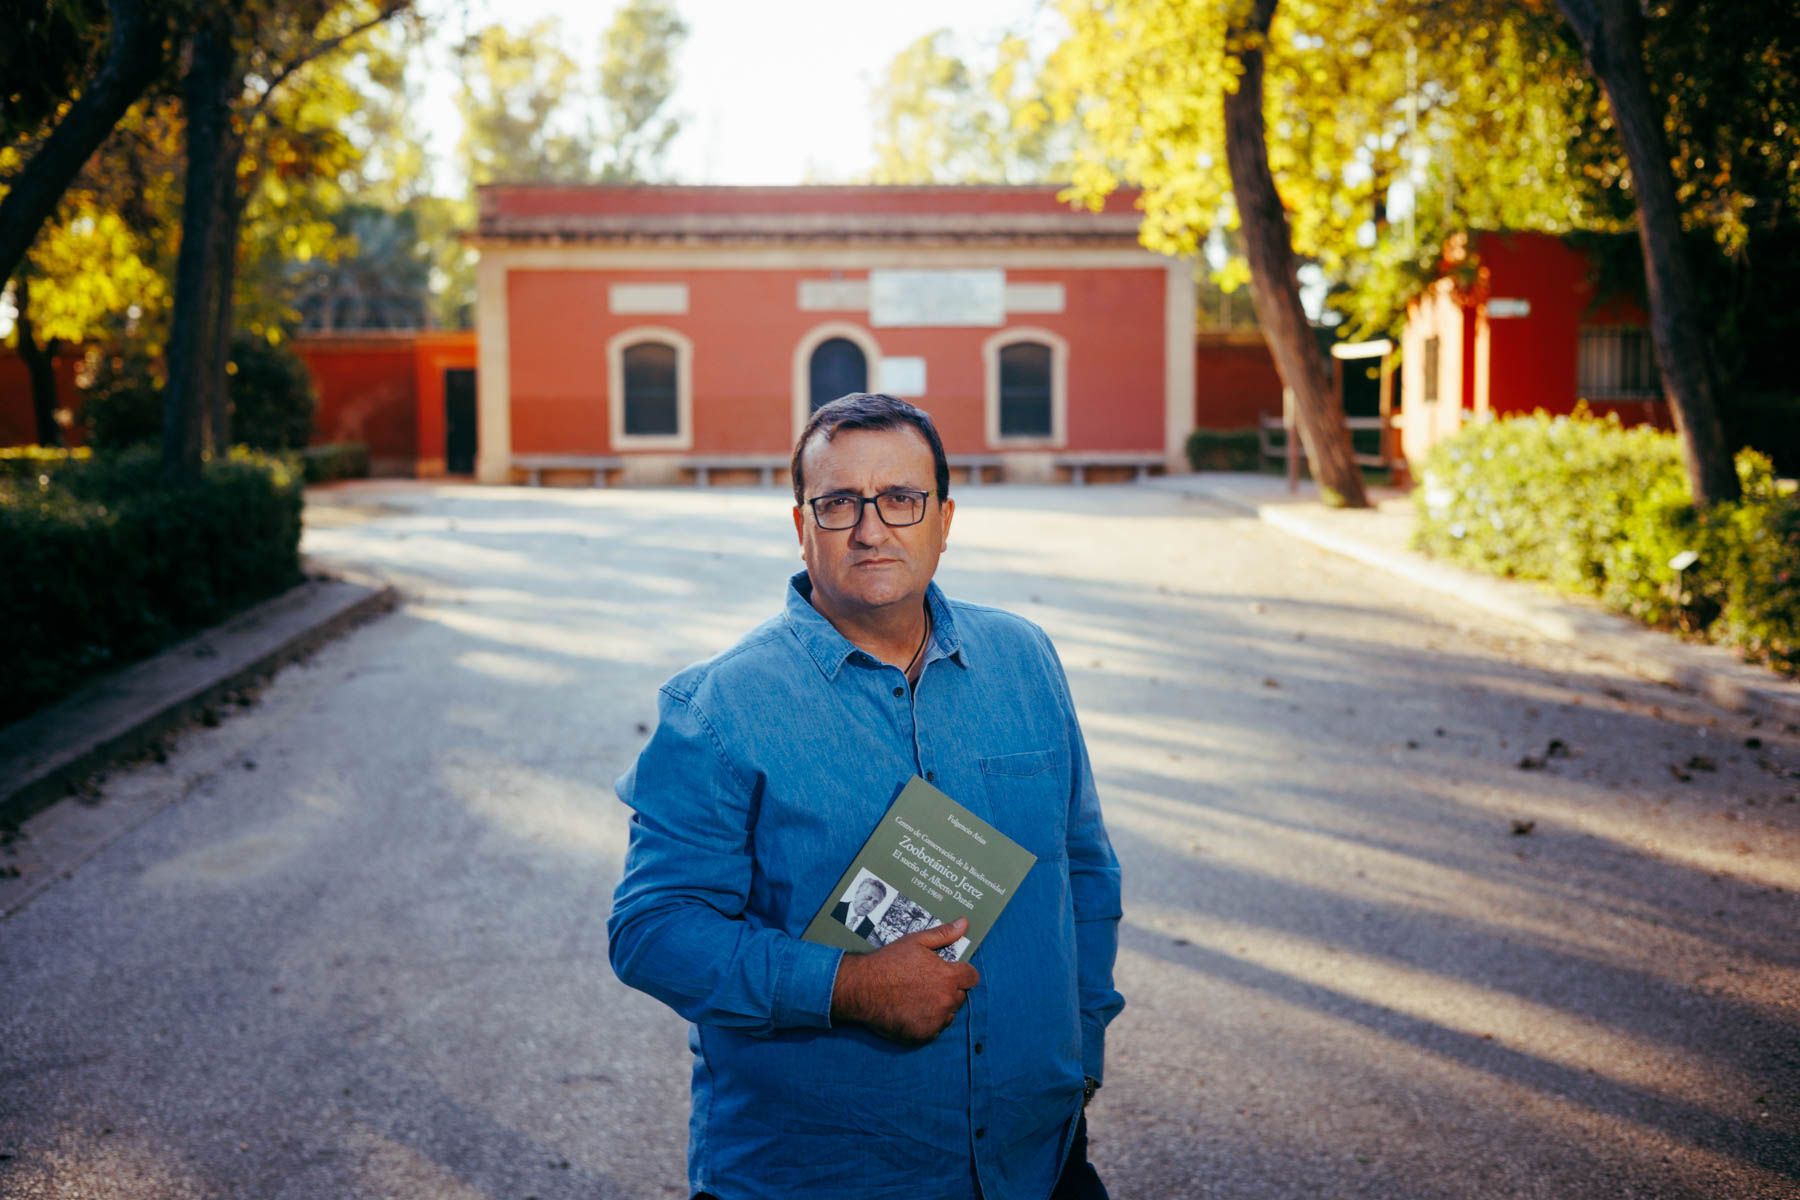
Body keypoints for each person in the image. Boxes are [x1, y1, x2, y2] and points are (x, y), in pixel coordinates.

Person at [608, 393, 1124, 1200]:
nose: (872, 528)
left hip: (1038, 1164)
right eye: (839, 502)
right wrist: (848, 988)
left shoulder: (1025, 660)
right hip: (822, 1176)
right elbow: (651, 932)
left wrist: (1079, 1055)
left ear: (944, 520)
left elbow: (1085, 874)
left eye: (901, 500)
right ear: (800, 524)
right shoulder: (718, 710)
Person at [831, 874, 888, 941]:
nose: (870, 905)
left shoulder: (870, 929)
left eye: (875, 902)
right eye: (868, 897)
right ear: (857, 892)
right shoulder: (833, 906)